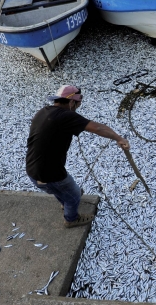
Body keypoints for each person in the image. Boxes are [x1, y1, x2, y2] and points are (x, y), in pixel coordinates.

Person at [26, 85, 130, 228]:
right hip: (49, 174)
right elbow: (98, 128)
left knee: (58, 189)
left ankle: (65, 202)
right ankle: (71, 219)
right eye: (78, 103)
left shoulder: (44, 111)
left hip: (32, 170)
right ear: (71, 102)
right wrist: (119, 138)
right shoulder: (66, 116)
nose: (78, 106)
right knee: (74, 194)